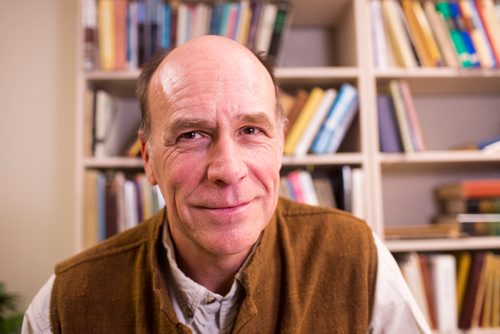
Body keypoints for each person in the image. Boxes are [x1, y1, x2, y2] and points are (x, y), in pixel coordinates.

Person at [22, 35, 431, 333]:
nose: (227, 169)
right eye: (191, 135)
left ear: (280, 144)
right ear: (148, 159)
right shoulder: (64, 305)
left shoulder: (358, 260)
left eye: (251, 129)